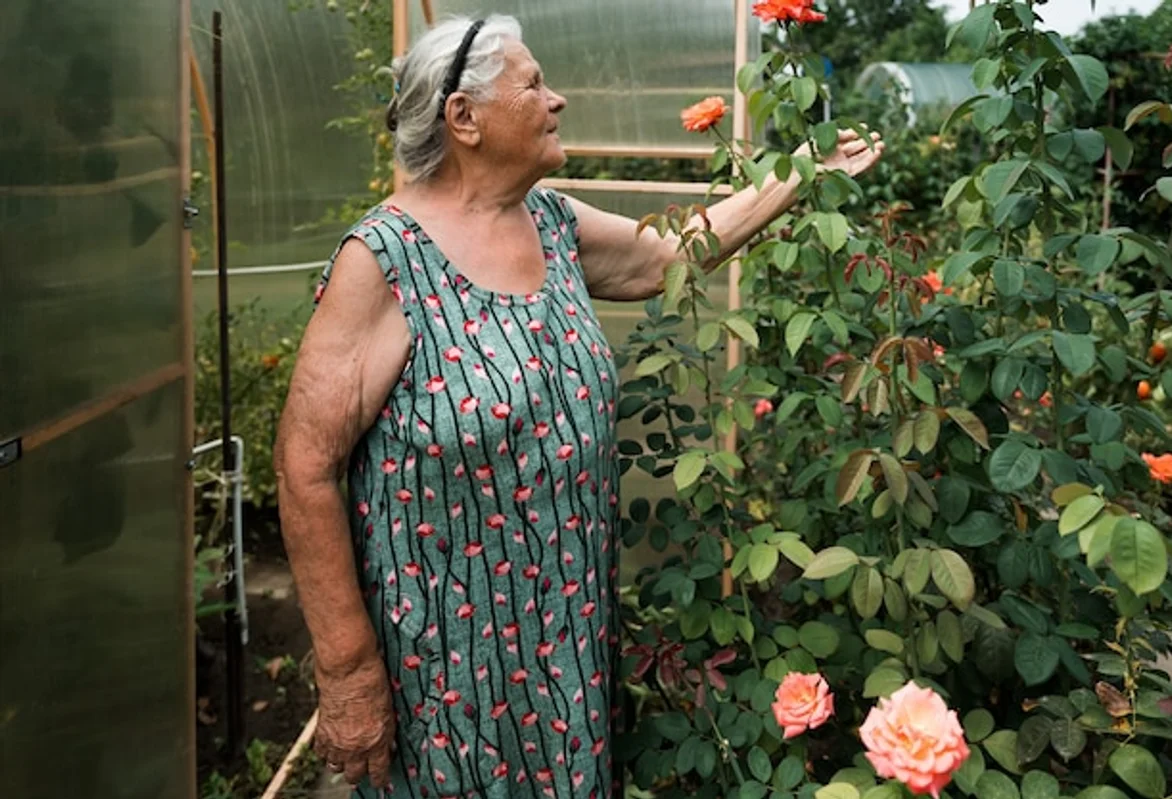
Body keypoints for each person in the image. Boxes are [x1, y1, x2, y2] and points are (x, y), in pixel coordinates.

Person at [274, 13, 884, 799]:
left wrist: (806, 171)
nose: (557, 100)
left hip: (562, 638)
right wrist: (347, 665)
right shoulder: (385, 261)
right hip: (442, 665)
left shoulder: (552, 223)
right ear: (463, 118)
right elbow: (305, 464)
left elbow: (671, 252)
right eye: (534, 84)